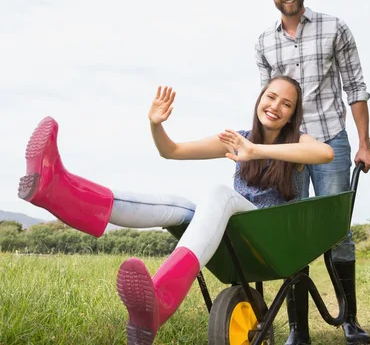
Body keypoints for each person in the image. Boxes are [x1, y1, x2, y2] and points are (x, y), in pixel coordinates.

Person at [18, 77, 333, 345]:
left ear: (292, 115)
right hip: (239, 237)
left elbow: (325, 153)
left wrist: (255, 151)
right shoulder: (236, 139)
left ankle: (163, 296)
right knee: (178, 206)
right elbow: (172, 151)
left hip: (271, 241)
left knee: (219, 194)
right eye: (271, 97)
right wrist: (156, 125)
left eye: (286, 104)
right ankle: (63, 193)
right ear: (259, 100)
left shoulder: (294, 145)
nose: (276, 107)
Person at [255, 0, 370, 345]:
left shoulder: (334, 27)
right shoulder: (264, 42)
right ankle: (297, 330)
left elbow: (355, 86)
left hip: (331, 142)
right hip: (289, 149)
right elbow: (268, 102)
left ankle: (350, 321)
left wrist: (364, 143)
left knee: (337, 233)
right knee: (294, 234)